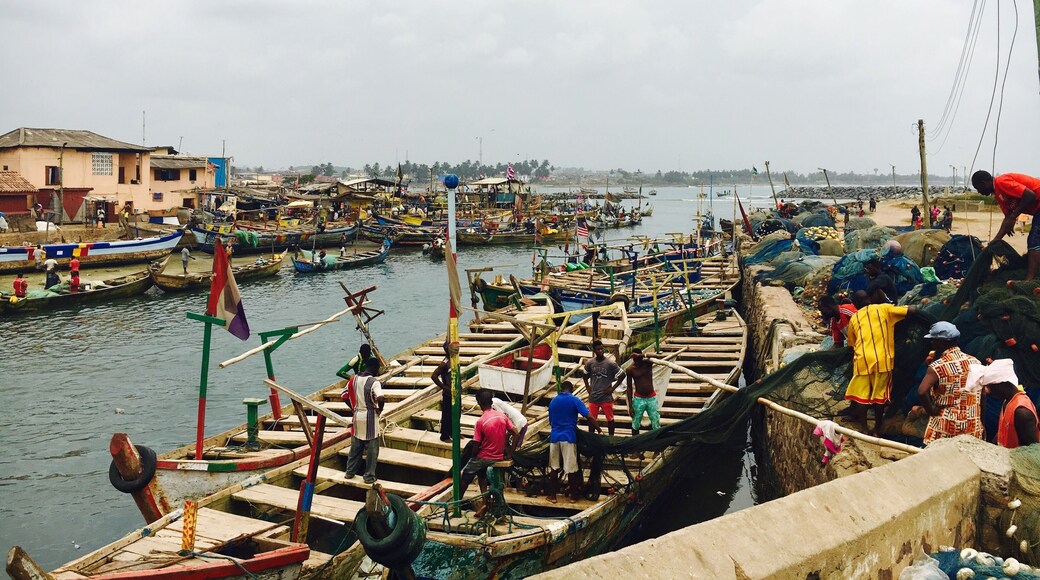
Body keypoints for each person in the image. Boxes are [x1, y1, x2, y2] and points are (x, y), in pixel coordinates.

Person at [845, 294, 918, 435]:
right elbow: (911, 310)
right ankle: (877, 428)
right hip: (883, 360)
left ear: (855, 304)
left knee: (862, 395)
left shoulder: (854, 317)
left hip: (863, 359)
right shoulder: (884, 308)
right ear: (869, 299)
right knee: (880, 395)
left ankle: (864, 429)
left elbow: (851, 344)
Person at [909, 322, 983, 445]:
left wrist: (931, 410)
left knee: (939, 459)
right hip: (972, 422)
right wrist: (981, 421)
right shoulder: (975, 361)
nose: (932, 343)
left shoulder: (938, 366)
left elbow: (922, 391)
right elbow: (982, 395)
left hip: (946, 424)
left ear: (941, 342)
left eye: (933, 340)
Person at [971, 170, 1040, 281]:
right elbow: (1008, 217)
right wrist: (995, 241)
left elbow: (1030, 196)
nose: (979, 192)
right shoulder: (999, 195)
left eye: (978, 188)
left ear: (984, 183)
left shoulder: (1001, 182)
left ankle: (1030, 278)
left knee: (1034, 240)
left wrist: (1014, 216)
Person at [459, 390, 518, 516]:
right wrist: (509, 454)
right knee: (482, 475)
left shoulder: (480, 422)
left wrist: (473, 456)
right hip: (498, 455)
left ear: (479, 403)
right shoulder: (502, 416)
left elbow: (475, 446)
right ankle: (484, 503)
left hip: (484, 457)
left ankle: (456, 504)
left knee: (465, 476)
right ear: (491, 402)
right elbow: (516, 433)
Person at [547, 381, 599, 503]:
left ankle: (552, 496)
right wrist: (598, 429)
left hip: (554, 438)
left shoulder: (553, 402)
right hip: (569, 438)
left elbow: (551, 422)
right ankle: (573, 497)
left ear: (561, 389)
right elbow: (589, 416)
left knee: (554, 468)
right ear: (571, 390)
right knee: (571, 468)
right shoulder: (574, 400)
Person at [970, 360, 1039, 449]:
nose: (989, 392)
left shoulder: (1021, 412)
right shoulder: (1008, 401)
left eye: (990, 388)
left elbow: (1033, 450)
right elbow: (1004, 431)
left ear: (1000, 385)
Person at [342, 357, 385, 483]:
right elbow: (381, 398)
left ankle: (350, 472)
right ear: (376, 368)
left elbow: (344, 395)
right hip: (370, 417)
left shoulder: (353, 379)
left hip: (357, 416)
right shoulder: (374, 382)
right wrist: (379, 410)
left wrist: (353, 407)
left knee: (355, 448)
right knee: (372, 450)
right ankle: (369, 476)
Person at [582, 340, 624, 436]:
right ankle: (591, 438)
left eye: (602, 349)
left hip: (606, 397)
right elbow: (584, 375)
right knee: (592, 419)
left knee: (610, 419)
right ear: (594, 351)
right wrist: (588, 387)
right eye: (598, 349)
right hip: (594, 397)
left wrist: (612, 389)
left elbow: (622, 375)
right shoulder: (590, 363)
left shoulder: (610, 363)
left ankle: (611, 438)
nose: (600, 351)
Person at [626, 348, 660, 436]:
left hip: (651, 398)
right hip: (638, 399)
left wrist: (641, 355)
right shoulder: (630, 369)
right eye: (634, 357)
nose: (636, 359)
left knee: (656, 423)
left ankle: (657, 446)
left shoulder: (647, 363)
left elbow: (658, 356)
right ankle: (635, 445)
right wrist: (630, 406)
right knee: (635, 424)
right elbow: (629, 388)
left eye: (637, 356)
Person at [431, 341, 454, 442]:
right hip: (448, 393)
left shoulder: (455, 359)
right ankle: (444, 435)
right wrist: (444, 387)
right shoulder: (444, 363)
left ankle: (454, 432)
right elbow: (434, 376)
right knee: (447, 414)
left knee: (456, 413)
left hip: (455, 392)